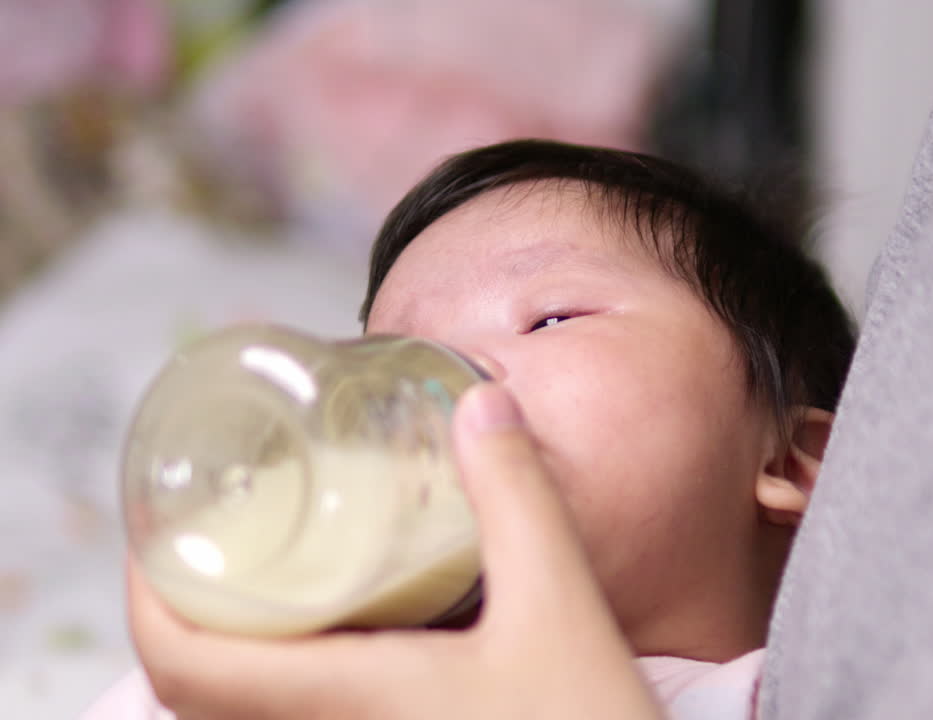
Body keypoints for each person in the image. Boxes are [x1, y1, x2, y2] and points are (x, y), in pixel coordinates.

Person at [84, 139, 856, 719]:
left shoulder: (800, 692)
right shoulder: (293, 674)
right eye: (394, 362)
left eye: (550, 317)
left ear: (793, 463)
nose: (441, 379)